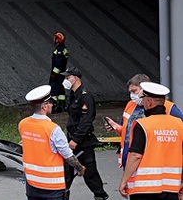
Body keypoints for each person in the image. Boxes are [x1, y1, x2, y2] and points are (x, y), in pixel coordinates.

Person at [119, 81, 183, 199]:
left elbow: (135, 156)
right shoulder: (179, 124)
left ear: (149, 102)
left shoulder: (143, 125)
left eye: (143, 99)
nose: (141, 103)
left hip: (144, 188)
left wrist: (124, 180)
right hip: (171, 187)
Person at [19, 85, 85, 200]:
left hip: (32, 182)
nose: (52, 105)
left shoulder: (23, 124)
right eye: (50, 103)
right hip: (52, 186)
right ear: (44, 107)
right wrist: (80, 168)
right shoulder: (53, 129)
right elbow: (67, 155)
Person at [105, 73, 183, 168]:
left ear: (144, 90)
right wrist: (116, 127)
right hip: (131, 160)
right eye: (130, 92)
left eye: (134, 91)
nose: (132, 95)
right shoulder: (130, 105)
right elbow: (127, 133)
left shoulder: (168, 107)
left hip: (152, 160)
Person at [61, 67, 110, 200]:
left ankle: (100, 195)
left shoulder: (85, 97)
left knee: (89, 171)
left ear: (75, 78)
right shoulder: (73, 95)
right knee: (67, 170)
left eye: (67, 77)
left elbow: (86, 121)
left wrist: (75, 139)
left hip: (83, 141)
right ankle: (61, 195)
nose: (65, 80)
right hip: (72, 138)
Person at [49, 32, 69, 113]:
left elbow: (59, 63)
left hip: (57, 74)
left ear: (58, 39)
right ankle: (62, 105)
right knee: (60, 90)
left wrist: (54, 73)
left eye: (55, 38)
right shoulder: (63, 49)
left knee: (53, 89)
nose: (54, 39)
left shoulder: (59, 50)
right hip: (61, 74)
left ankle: (54, 106)